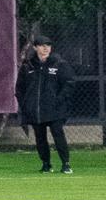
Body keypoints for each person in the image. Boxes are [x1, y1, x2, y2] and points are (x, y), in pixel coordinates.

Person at [17, 35, 75, 174]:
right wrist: (26, 104)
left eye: (48, 45)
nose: (45, 48)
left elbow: (69, 83)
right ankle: (46, 164)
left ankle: (66, 164)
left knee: (58, 134)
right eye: (42, 45)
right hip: (36, 110)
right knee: (40, 137)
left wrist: (58, 100)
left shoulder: (59, 64)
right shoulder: (27, 66)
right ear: (35, 47)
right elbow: (19, 88)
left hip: (55, 109)